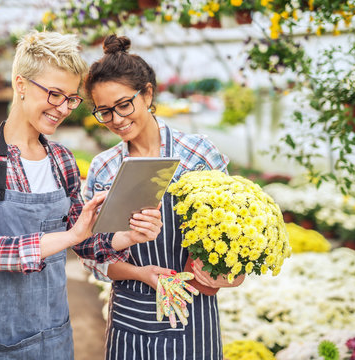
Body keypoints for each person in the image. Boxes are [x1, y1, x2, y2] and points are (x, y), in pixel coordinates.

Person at [0, 30, 163, 359]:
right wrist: (73, 234)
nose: (63, 108)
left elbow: (86, 243)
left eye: (71, 98)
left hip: (53, 334)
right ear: (20, 85)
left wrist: (128, 235)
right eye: (54, 94)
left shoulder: (61, 159)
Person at [82, 35, 246, 359]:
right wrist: (141, 274)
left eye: (124, 105)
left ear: (147, 94)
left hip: (193, 314)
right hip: (129, 317)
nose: (116, 119)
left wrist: (229, 274)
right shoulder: (103, 168)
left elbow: (234, 237)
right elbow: (91, 254)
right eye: (104, 112)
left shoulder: (197, 154)